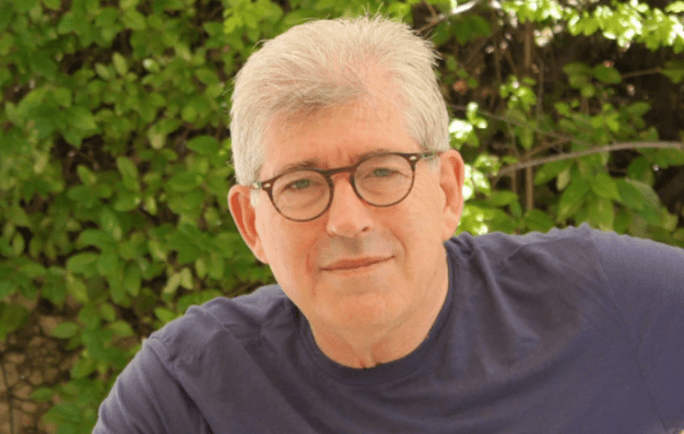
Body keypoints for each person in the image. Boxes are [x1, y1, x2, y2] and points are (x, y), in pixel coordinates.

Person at [93, 16, 684, 433]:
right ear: (251, 223)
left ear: (447, 190)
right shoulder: (188, 392)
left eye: (381, 171)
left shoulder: (606, 300)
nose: (347, 221)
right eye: (301, 183)